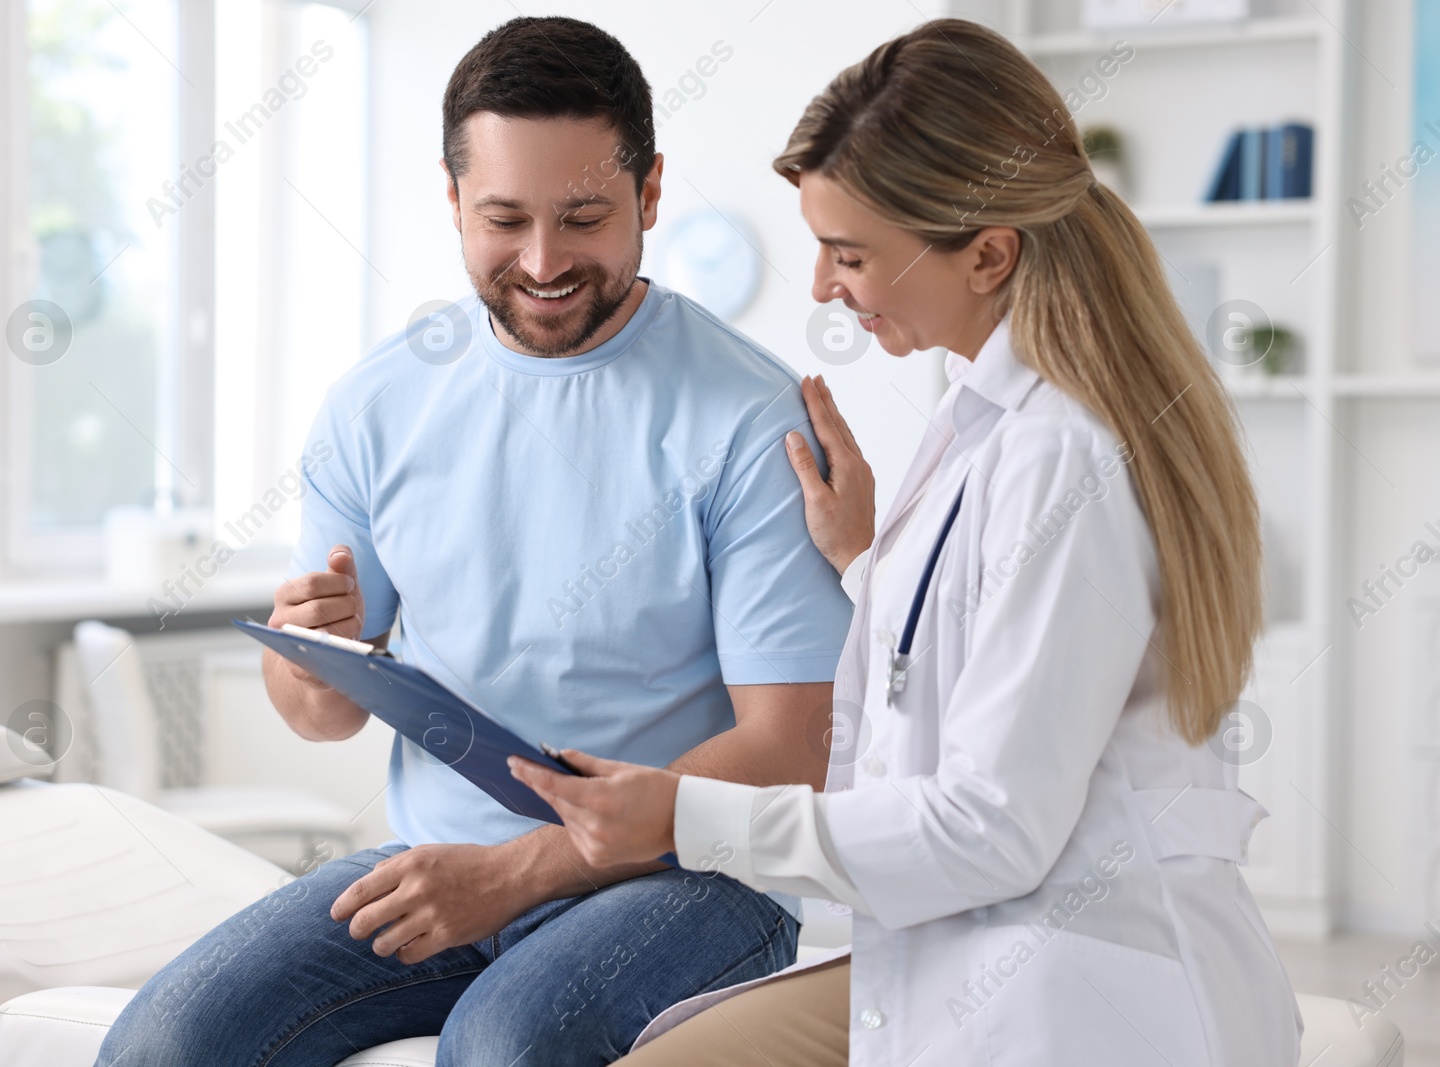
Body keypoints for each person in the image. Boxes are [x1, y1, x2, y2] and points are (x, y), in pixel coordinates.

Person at [513, 18, 1302, 1067]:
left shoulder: (1062, 453)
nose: (821, 288)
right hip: (973, 935)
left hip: (1075, 982)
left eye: (849, 255)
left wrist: (684, 816)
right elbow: (982, 637)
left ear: (987, 253)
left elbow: (987, 828)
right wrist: (864, 558)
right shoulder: (987, 408)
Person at [96, 16, 852, 1067]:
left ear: (650, 192)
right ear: (452, 201)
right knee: (161, 1045)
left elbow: (792, 747)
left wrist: (529, 867)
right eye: (504, 218)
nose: (544, 261)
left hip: (689, 879)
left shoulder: (745, 414)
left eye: (583, 216)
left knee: (500, 1047)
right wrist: (311, 655)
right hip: (438, 861)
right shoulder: (377, 405)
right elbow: (317, 712)